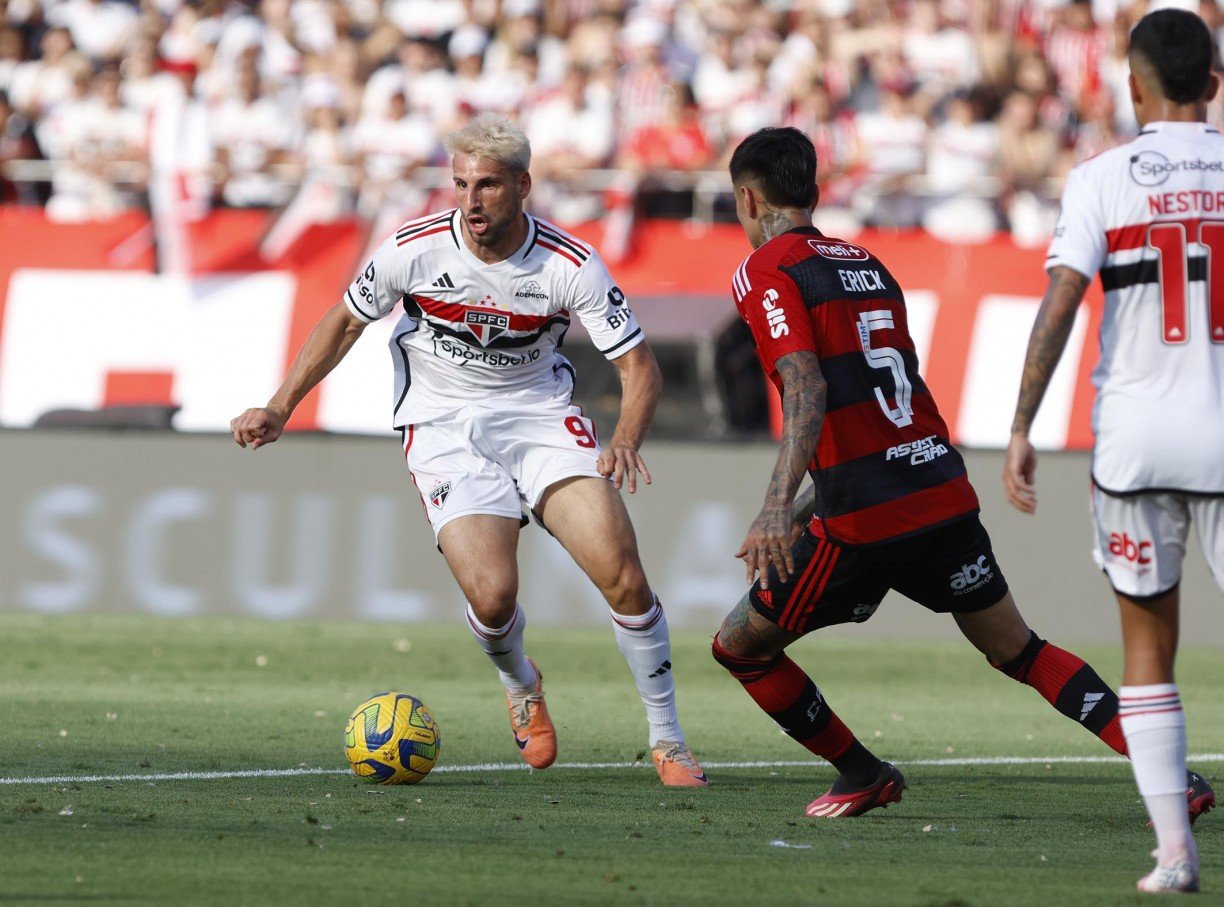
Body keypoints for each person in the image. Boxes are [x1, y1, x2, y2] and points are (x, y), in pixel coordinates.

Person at [709, 126, 1215, 826]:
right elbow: (883, 409)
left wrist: (773, 509)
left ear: (748, 198)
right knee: (1019, 648)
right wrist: (799, 507)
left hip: (863, 521)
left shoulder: (765, 269)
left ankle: (863, 770)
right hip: (937, 490)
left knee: (738, 647)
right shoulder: (867, 262)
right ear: (815, 192)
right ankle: (1170, 774)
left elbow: (806, 387)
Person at [230, 113, 707, 788]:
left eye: (486, 185)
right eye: (460, 183)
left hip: (539, 417)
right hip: (443, 423)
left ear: (522, 184)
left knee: (622, 572)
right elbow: (343, 320)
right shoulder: (413, 249)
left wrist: (625, 438)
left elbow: (640, 367)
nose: (470, 199)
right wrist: (281, 405)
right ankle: (522, 680)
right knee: (491, 595)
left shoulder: (569, 264)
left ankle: (669, 739)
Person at [1004, 9, 1223, 893]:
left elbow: (1060, 304)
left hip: (1134, 438)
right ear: (1211, 82)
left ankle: (1174, 852)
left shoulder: (1102, 177)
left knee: (1147, 649)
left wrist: (1021, 427)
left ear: (1133, 85)